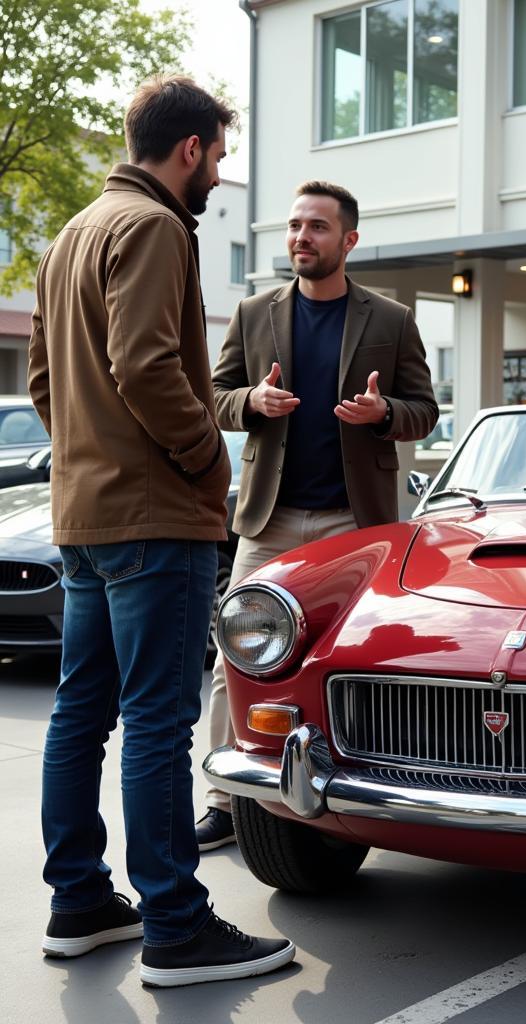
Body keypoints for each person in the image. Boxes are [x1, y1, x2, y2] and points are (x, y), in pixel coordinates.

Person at [29, 76, 294, 988]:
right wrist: (202, 461)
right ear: (188, 148)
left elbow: (42, 380)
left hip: (85, 514)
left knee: (81, 713)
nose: (219, 173)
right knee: (154, 721)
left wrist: (89, 454)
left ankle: (78, 903)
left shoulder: (72, 233)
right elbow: (144, 366)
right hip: (153, 516)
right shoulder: (151, 228)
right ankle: (176, 927)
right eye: (218, 156)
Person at [197, 180, 438, 850]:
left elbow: (425, 407)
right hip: (267, 521)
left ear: (348, 240)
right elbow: (214, 396)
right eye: (296, 226)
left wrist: (383, 414)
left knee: (351, 660)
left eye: (319, 227)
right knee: (235, 660)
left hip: (353, 526)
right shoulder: (254, 313)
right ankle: (227, 799)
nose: (302, 237)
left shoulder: (389, 320)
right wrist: (253, 402)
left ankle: (355, 790)